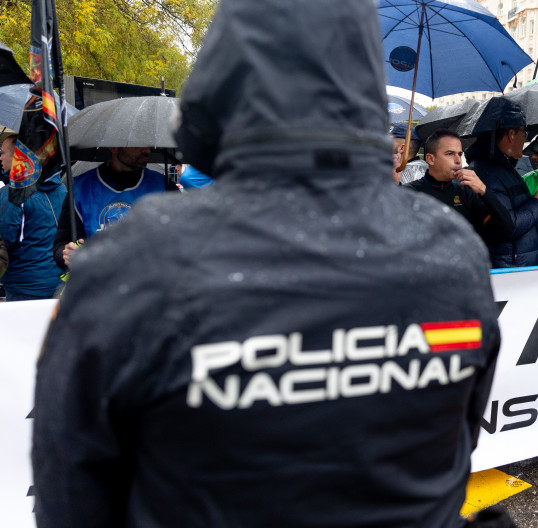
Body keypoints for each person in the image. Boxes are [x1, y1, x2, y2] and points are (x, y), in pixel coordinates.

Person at [33, 2, 502, 528]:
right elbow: (456, 446)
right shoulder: (450, 251)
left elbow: (72, 498)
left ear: (217, 83)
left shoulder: (134, 262)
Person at [52, 147, 172, 271]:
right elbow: (61, 245)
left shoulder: (165, 186)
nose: (147, 150)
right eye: (139, 143)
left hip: (152, 282)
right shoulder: (81, 188)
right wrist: (67, 255)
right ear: (113, 148)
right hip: (100, 283)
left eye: (148, 143)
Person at [466, 98, 538, 268]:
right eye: (524, 133)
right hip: (508, 271)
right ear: (511, 134)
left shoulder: (504, 168)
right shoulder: (487, 174)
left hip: (518, 265)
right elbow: (508, 225)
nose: (525, 138)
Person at [405, 129, 512, 240]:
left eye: (460, 154)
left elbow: (506, 230)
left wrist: (484, 191)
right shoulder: (409, 193)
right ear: (430, 159)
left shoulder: (466, 193)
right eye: (450, 154)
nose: (458, 161)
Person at [0, 133, 66, 300]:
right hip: (59, 284)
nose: (0, 158)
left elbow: (4, 238)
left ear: (17, 156)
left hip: (23, 287)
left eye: (3, 153)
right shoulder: (63, 189)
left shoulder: (12, 193)